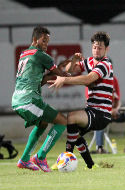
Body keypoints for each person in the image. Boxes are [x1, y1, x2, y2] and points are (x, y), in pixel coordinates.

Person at [49, 31, 113, 169]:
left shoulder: (105, 64)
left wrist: (65, 79)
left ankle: (65, 160)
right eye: (95, 47)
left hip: (102, 113)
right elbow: (69, 70)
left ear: (107, 49)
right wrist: (72, 61)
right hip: (92, 110)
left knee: (71, 117)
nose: (96, 50)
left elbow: (88, 78)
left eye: (100, 47)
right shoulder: (89, 61)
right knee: (74, 133)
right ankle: (91, 165)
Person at [11, 26, 69, 172]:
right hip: (29, 100)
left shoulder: (24, 54)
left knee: (43, 123)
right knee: (62, 121)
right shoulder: (41, 55)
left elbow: (40, 80)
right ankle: (40, 157)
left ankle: (24, 160)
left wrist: (53, 75)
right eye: (43, 41)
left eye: (47, 42)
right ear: (35, 39)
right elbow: (61, 74)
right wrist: (72, 64)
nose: (46, 45)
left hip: (17, 100)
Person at [94, 75, 125, 154]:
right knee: (99, 117)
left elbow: (118, 100)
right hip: (101, 113)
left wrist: (116, 109)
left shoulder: (113, 79)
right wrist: (109, 111)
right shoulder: (92, 80)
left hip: (115, 112)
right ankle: (100, 148)